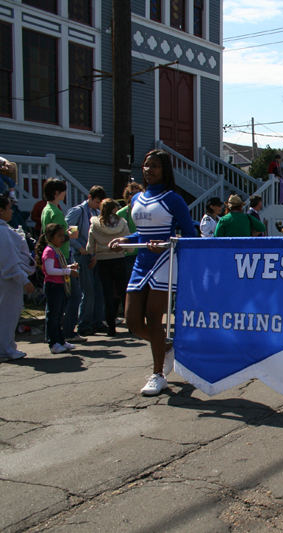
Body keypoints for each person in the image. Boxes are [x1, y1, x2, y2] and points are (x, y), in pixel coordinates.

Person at [109, 149, 197, 396]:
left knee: (153, 317)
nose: (149, 170)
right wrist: (125, 238)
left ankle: (158, 374)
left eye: (155, 165)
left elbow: (190, 235)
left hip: (165, 263)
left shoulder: (173, 199)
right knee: (133, 322)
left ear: (164, 169)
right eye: (146, 165)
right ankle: (167, 346)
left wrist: (168, 241)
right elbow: (143, 234)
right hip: (141, 262)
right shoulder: (137, 198)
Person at [40, 178, 81, 343]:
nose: (65, 193)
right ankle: (65, 333)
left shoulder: (47, 209)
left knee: (56, 303)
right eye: (63, 190)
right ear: (56, 193)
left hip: (59, 256)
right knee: (72, 295)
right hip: (59, 256)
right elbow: (56, 236)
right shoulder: (55, 212)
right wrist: (69, 235)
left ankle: (55, 336)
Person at [66, 185, 107, 338]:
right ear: (89, 198)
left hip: (94, 256)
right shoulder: (79, 211)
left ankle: (97, 321)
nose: (98, 205)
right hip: (81, 256)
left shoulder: (97, 213)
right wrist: (80, 248)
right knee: (87, 292)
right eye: (96, 202)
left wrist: (96, 253)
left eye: (100, 203)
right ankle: (84, 325)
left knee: (98, 290)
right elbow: (69, 231)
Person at [87, 199, 130, 337]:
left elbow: (89, 248)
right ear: (113, 209)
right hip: (119, 259)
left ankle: (111, 328)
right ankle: (130, 325)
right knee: (124, 293)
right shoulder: (122, 223)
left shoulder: (95, 224)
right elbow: (129, 244)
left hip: (103, 261)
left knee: (108, 294)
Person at [0, 194, 36, 361]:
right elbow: (9, 261)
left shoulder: (5, 231)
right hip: (8, 282)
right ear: (1, 211)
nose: (12, 212)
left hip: (7, 279)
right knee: (8, 314)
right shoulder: (3, 233)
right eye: (9, 208)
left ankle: (7, 347)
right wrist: (24, 280)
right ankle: (6, 349)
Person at [35, 223, 79, 354]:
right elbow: (50, 270)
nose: (62, 238)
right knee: (53, 316)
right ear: (50, 237)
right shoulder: (49, 251)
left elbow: (58, 267)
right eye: (59, 236)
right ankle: (53, 342)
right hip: (53, 286)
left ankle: (61, 340)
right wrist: (68, 272)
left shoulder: (56, 250)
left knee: (59, 315)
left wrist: (70, 267)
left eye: (62, 235)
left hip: (60, 286)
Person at [117, 182, 145, 312]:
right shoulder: (121, 213)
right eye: (131, 193)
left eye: (136, 193)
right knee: (129, 285)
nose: (133, 196)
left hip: (143, 252)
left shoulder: (145, 211)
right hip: (127, 254)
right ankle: (129, 311)